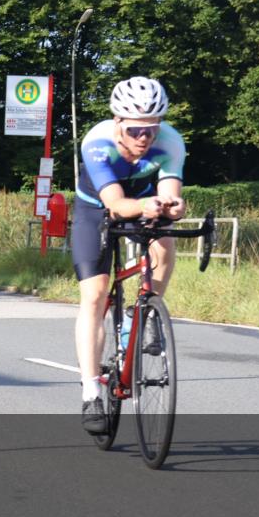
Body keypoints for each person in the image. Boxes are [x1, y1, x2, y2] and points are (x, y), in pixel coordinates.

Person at [71, 77, 186, 435]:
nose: (144, 138)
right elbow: (118, 205)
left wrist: (174, 206)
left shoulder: (171, 141)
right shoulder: (97, 143)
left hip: (143, 204)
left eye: (152, 129)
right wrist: (144, 205)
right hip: (98, 209)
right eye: (136, 129)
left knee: (165, 245)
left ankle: (146, 313)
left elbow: (170, 190)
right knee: (95, 294)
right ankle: (91, 390)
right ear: (118, 122)